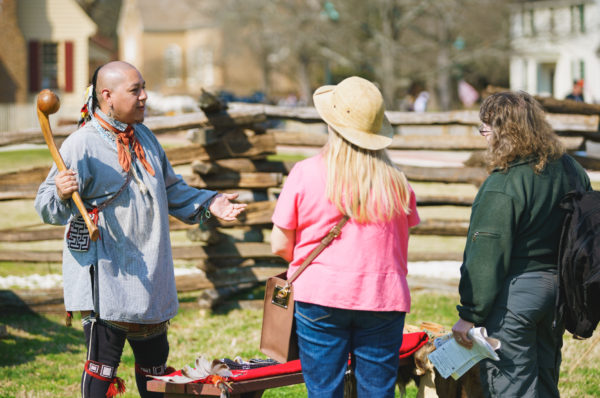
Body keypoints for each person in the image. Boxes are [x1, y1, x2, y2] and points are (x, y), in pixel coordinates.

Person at [34, 61, 246, 398]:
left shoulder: (145, 137)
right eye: (136, 90)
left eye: (143, 87)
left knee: (155, 373)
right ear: (107, 96)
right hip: (107, 279)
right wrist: (60, 190)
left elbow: (172, 190)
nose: (145, 96)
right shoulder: (81, 145)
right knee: (101, 370)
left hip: (150, 276)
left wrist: (211, 202)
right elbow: (45, 205)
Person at [270, 76, 420, 397]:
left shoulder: (305, 173)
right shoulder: (397, 183)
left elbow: (280, 244)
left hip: (320, 296)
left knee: (324, 390)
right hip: (384, 296)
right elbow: (400, 241)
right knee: (378, 391)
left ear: (331, 125)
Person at [451, 91, 591, 397]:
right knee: (544, 384)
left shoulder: (504, 183)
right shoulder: (572, 170)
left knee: (511, 388)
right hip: (559, 294)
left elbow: (485, 256)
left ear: (504, 131)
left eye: (486, 129)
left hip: (515, 297)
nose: (484, 137)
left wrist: (469, 315)